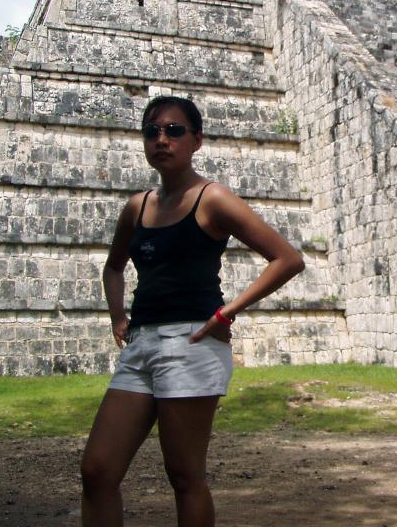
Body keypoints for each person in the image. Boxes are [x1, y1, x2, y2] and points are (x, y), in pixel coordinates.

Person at [80, 95, 305, 527]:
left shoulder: (212, 198)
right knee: (97, 470)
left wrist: (226, 313)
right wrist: (117, 317)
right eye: (152, 132)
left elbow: (287, 259)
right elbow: (113, 268)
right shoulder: (138, 206)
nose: (161, 139)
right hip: (141, 345)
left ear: (196, 140)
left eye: (173, 130)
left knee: (185, 477)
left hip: (191, 345)